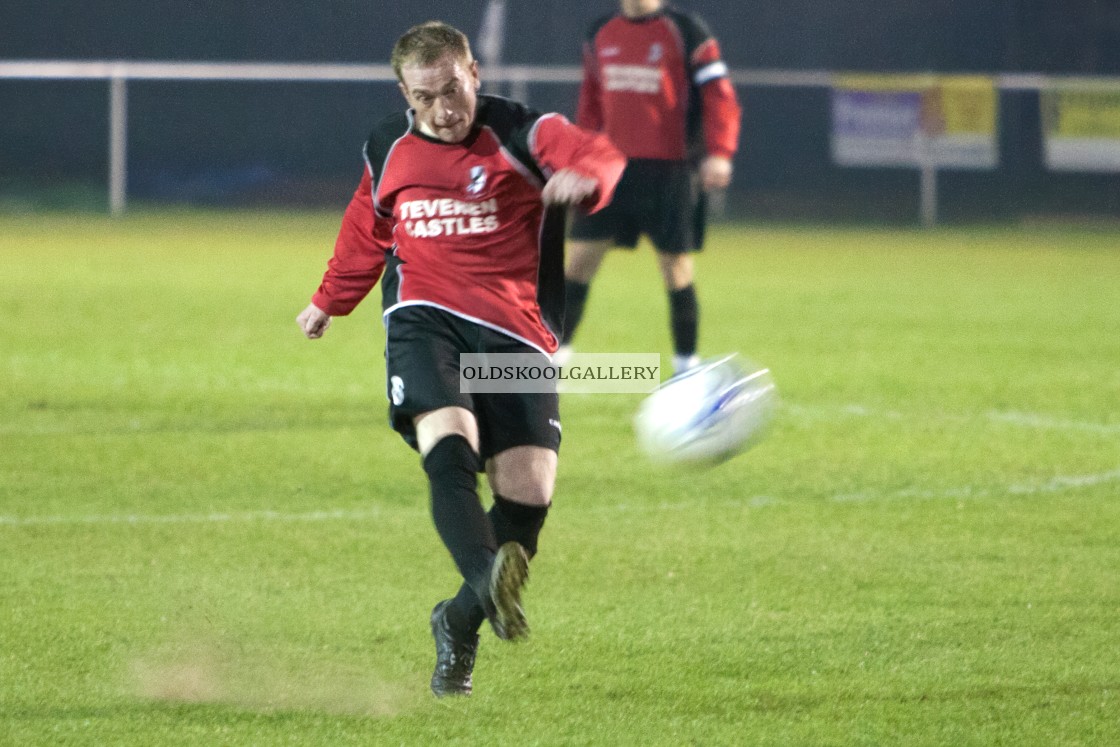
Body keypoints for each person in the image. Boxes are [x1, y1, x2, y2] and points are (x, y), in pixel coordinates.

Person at [296, 21, 625, 697]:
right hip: (423, 317)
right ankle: (486, 580)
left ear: (474, 72)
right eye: (427, 97)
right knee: (448, 438)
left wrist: (580, 180)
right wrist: (330, 299)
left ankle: (459, 618)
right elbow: (368, 224)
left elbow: (599, 154)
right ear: (404, 93)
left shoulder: (522, 132)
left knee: (528, 495)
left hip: (516, 330)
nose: (445, 109)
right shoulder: (388, 144)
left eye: (454, 88)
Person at [560, 0, 742, 374]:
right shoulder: (599, 32)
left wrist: (719, 152)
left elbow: (718, 95)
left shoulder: (687, 31)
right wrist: (580, 157)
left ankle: (685, 368)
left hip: (668, 172)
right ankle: (551, 363)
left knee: (675, 268)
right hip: (608, 170)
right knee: (577, 264)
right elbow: (591, 103)